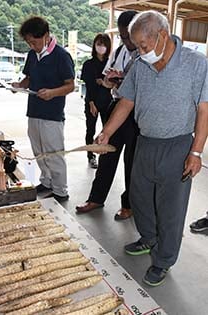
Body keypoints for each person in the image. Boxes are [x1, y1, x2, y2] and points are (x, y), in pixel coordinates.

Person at [97, 10, 208, 286]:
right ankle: (148, 238)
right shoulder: (140, 64)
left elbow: (205, 110)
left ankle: (163, 260)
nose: (141, 52)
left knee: (170, 209)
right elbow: (126, 101)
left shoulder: (196, 64)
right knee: (140, 197)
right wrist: (107, 132)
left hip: (178, 145)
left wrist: (196, 152)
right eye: (137, 47)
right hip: (146, 141)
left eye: (144, 46)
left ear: (161, 36)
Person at [76, 10, 139, 220]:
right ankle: (96, 197)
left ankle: (128, 204)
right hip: (117, 106)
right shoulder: (121, 51)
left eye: (130, 36)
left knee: (132, 161)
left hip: (137, 114)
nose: (127, 41)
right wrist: (111, 81)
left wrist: (122, 81)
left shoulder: (146, 53)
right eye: (122, 36)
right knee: (107, 154)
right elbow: (107, 79)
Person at [12, 16, 75, 202]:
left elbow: (71, 86)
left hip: (52, 114)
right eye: (29, 43)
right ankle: (46, 182)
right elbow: (28, 79)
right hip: (34, 111)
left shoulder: (61, 56)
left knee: (54, 153)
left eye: (35, 41)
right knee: (39, 151)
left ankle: (60, 190)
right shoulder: (32, 55)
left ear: (46, 35)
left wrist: (53, 93)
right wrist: (19, 85)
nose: (32, 46)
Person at [81, 33, 112, 169]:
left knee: (107, 130)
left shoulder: (110, 63)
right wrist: (91, 103)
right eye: (99, 44)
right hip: (92, 102)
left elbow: (113, 83)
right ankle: (90, 156)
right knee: (90, 130)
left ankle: (105, 155)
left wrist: (105, 83)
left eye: (104, 44)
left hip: (107, 102)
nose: (101, 47)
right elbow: (89, 85)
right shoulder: (88, 64)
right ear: (94, 45)